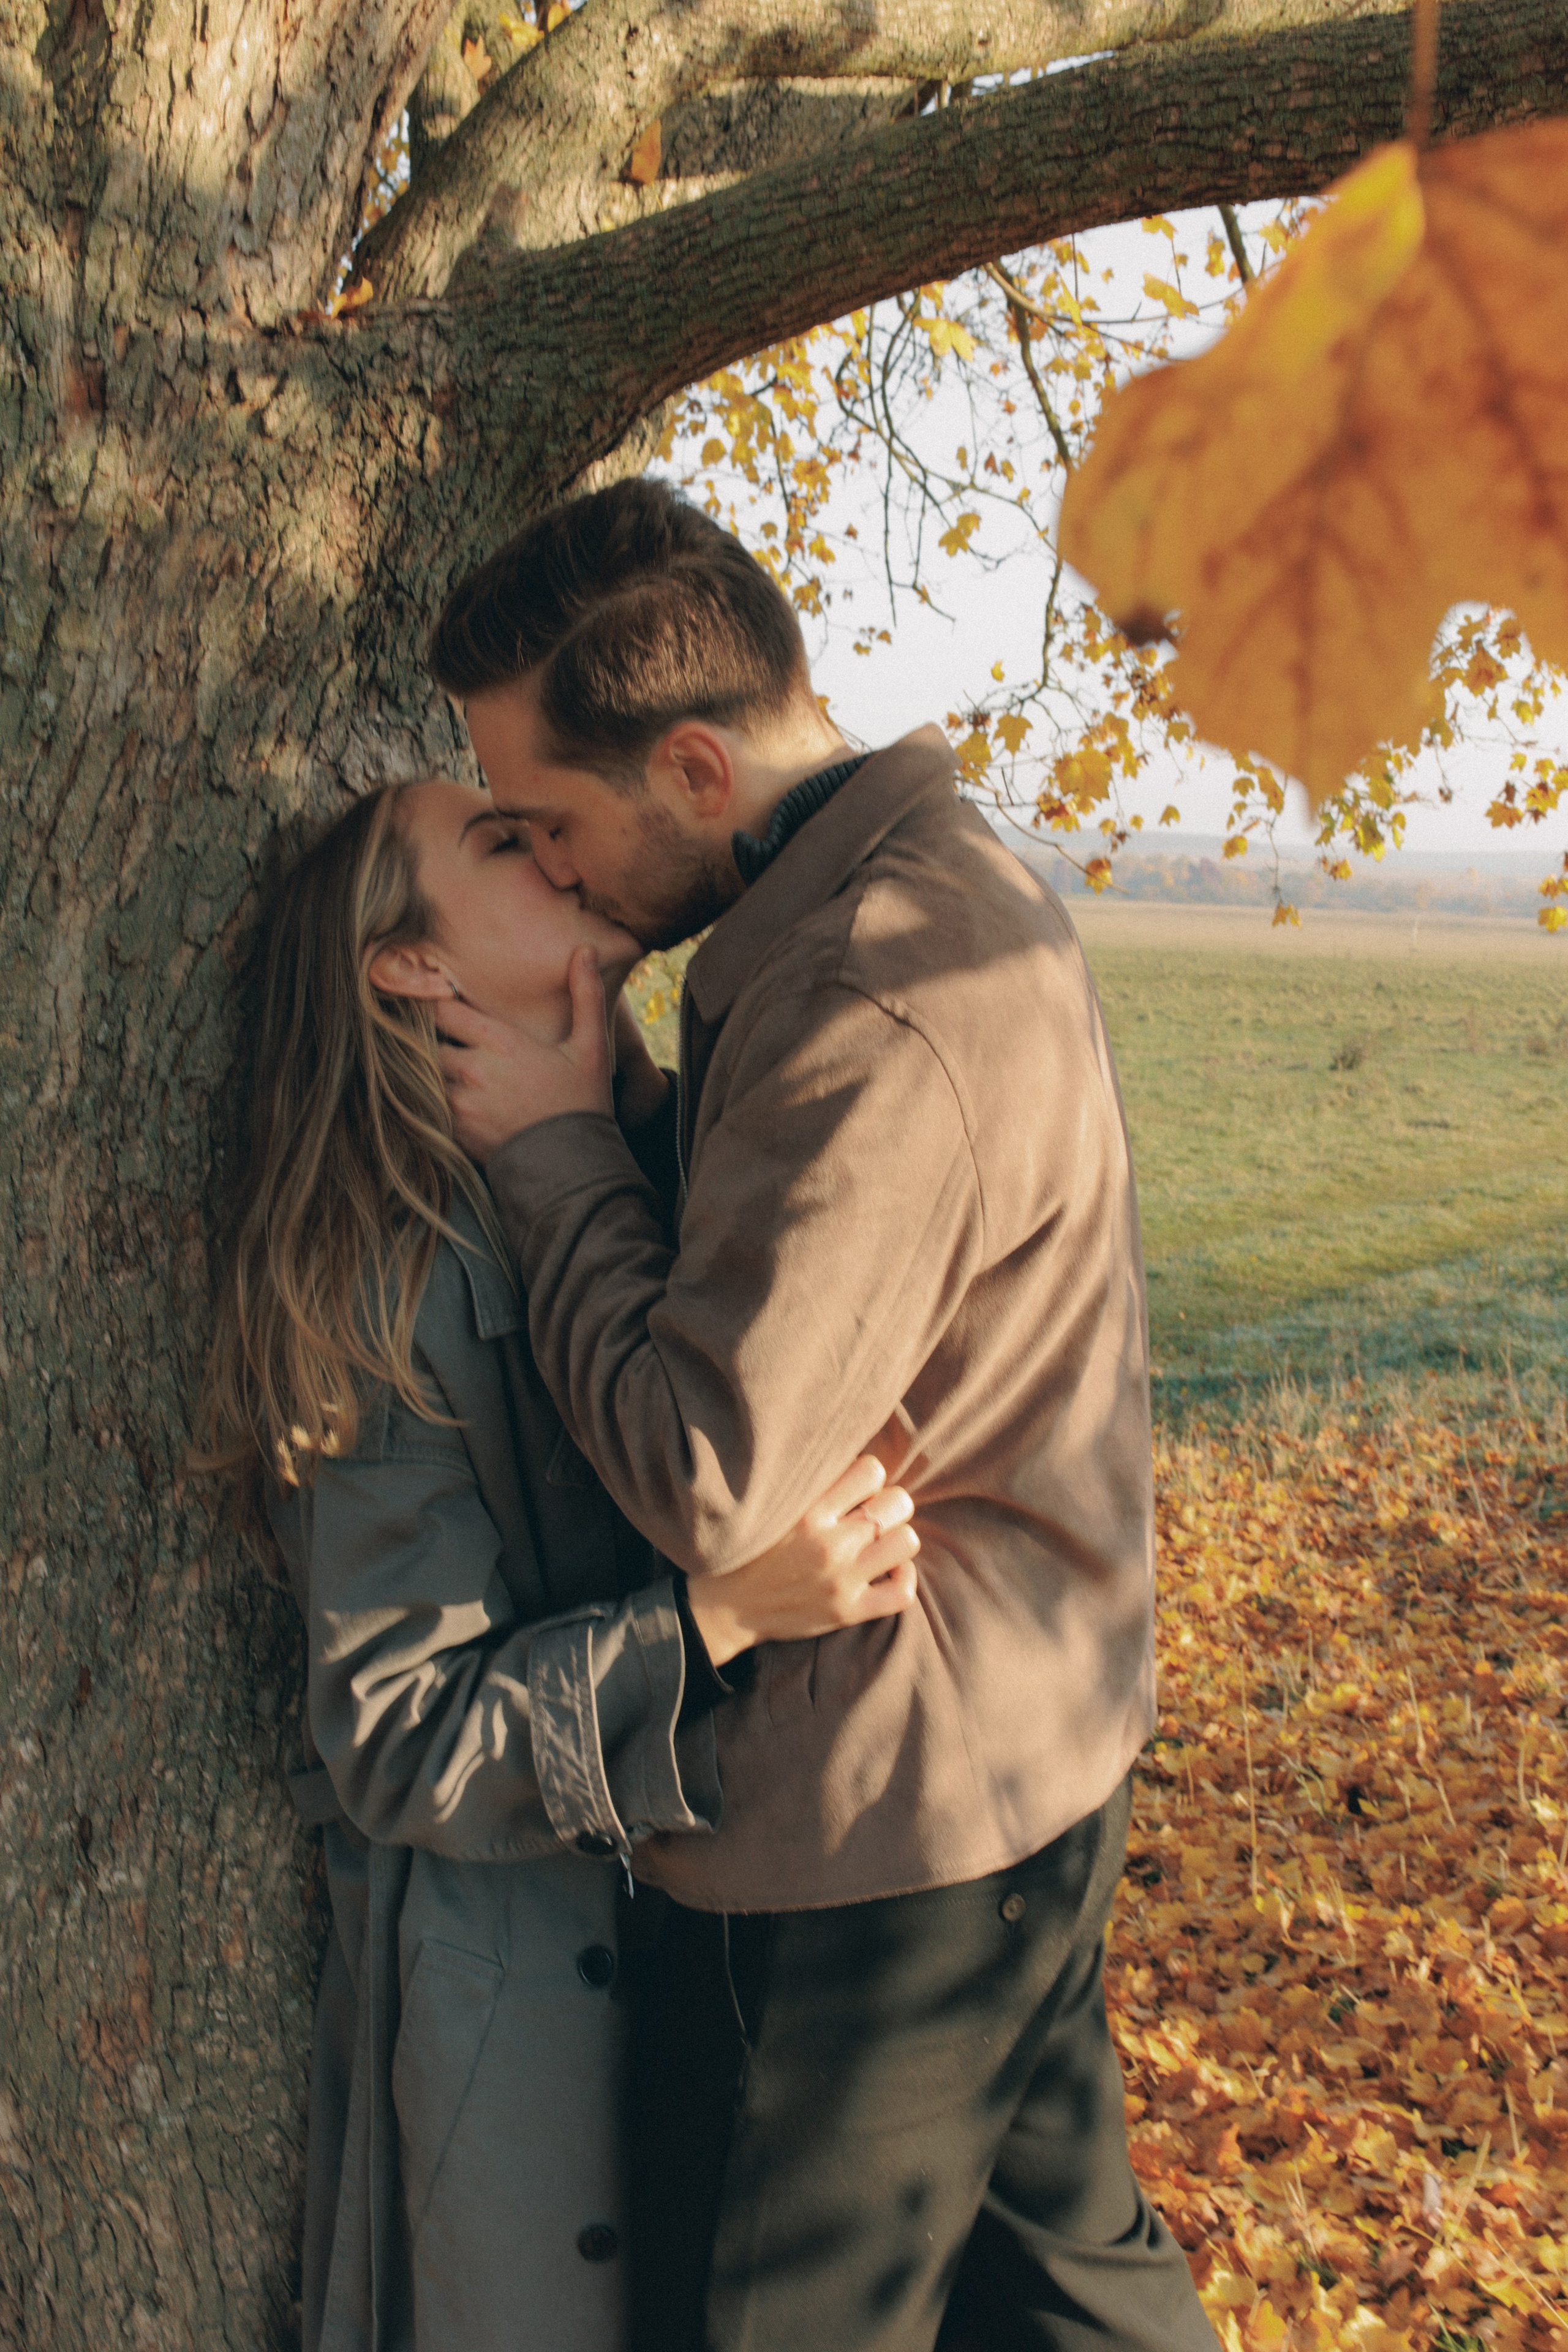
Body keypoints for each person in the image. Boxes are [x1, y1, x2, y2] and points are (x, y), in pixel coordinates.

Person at [425, 478, 1219, 2352]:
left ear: (694, 763)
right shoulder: (898, 890)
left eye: (551, 824)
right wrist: (626, 1117)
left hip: (902, 1818)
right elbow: (797, 1258)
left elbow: (715, 1472)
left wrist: (548, 1152)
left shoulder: (868, 980)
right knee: (1072, 2293)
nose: (550, 874)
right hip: (1024, 1741)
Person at [196, 778, 921, 2352]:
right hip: (531, 2039)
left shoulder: (632, 1158)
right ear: (413, 971)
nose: (554, 846)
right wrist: (717, 1619)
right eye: (498, 845)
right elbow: (399, 1735)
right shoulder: (392, 1281)